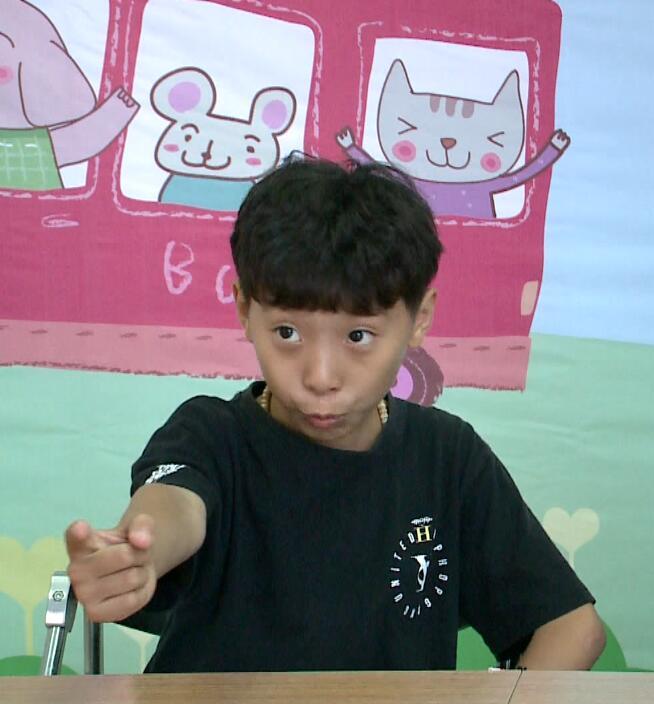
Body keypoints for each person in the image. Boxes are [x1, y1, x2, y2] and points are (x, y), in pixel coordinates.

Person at [63, 157, 605, 672]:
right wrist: (141, 551)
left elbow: (573, 628)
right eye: (287, 332)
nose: (321, 376)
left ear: (419, 319)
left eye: (359, 336)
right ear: (245, 308)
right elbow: (175, 506)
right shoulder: (209, 434)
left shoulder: (448, 458)